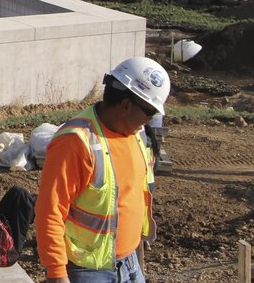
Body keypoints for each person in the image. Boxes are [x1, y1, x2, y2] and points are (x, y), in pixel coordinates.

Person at [36, 57, 169, 283]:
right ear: (126, 105)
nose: (151, 120)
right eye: (149, 112)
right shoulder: (76, 142)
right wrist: (57, 273)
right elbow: (50, 211)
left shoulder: (137, 135)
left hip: (129, 262)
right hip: (88, 270)